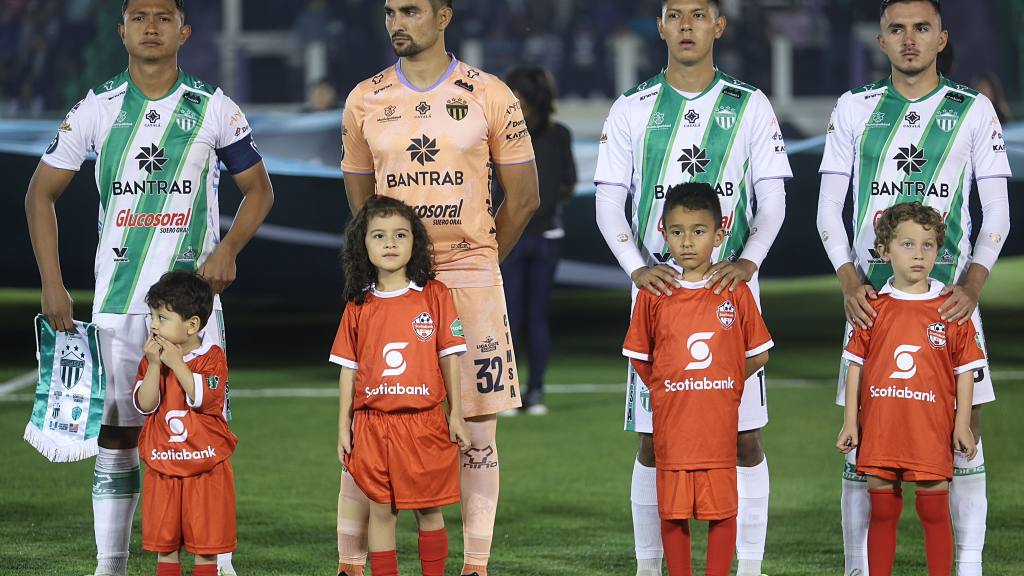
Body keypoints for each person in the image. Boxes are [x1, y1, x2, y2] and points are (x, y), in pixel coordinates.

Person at [23, 1, 274, 574]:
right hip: (116, 304)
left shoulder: (213, 106)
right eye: (140, 17)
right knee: (117, 437)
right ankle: (110, 565)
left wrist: (229, 246)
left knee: (206, 427)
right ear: (122, 31)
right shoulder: (96, 107)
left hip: (192, 310)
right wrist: (52, 283)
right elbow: (40, 193)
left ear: (184, 31)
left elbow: (258, 190)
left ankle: (218, 561)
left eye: (164, 17)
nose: (152, 26)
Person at [339, 1, 540, 574]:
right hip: (393, 280)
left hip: (471, 277)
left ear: (444, 15)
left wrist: (477, 264)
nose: (397, 22)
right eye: (389, 12)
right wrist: (389, 267)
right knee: (372, 419)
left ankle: (475, 564)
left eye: (411, 10)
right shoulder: (363, 100)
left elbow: (524, 199)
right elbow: (363, 208)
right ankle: (352, 562)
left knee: (476, 427)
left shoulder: (490, 93)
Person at [594, 1, 790, 574]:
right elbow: (610, 204)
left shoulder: (750, 104)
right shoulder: (632, 107)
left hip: (731, 293)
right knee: (656, 445)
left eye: (699, 14)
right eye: (674, 15)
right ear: (659, 27)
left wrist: (749, 261)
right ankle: (650, 565)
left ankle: (747, 567)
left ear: (719, 26)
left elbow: (773, 198)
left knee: (745, 439)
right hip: (659, 301)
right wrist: (636, 267)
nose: (686, 25)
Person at [816, 1, 1011, 574]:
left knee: (964, 437)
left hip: (948, 301)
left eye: (921, 29)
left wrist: (972, 285)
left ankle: (966, 566)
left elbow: (996, 209)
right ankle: (860, 567)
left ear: (941, 38)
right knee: (860, 448)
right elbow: (830, 208)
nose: (909, 40)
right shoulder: (854, 108)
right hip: (872, 306)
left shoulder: (973, 110)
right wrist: (849, 279)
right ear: (880, 41)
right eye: (897, 29)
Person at [623, 183, 773, 576]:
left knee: (722, 509)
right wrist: (667, 387)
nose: (687, 242)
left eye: (698, 231)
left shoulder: (735, 290)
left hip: (717, 424)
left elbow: (758, 352)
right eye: (677, 232)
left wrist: (725, 384)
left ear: (719, 234)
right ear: (663, 232)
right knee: (673, 510)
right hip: (674, 426)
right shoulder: (654, 292)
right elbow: (641, 356)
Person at [836, 202, 984, 576]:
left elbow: (965, 370)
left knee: (934, 510)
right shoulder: (872, 307)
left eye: (928, 245)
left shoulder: (950, 309)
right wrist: (850, 423)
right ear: (884, 252)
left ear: (938, 251)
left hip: (929, 428)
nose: (918, 254)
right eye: (907, 244)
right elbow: (856, 367)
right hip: (883, 427)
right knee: (883, 510)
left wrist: (962, 424)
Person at [332, 196, 471, 576]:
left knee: (429, 509)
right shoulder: (358, 305)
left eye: (400, 235)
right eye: (379, 236)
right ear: (364, 245)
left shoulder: (434, 295)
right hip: (374, 425)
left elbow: (450, 357)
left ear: (415, 243)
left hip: (424, 422)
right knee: (381, 510)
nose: (390, 243)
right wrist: (344, 426)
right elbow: (349, 370)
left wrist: (455, 415)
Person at [134, 271, 237, 576]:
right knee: (165, 549)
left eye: (163, 317)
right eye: (153, 316)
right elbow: (146, 404)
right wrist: (154, 365)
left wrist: (176, 363)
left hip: (205, 469)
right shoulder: (150, 358)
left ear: (192, 325)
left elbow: (204, 398)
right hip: (164, 467)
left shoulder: (212, 357)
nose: (154, 325)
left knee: (205, 551)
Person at [498, 66, 577, 415]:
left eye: (517, 93)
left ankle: (537, 392)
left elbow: (568, 181)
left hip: (544, 237)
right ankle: (511, 395)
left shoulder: (559, 134)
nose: (512, 99)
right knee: (509, 317)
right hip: (510, 237)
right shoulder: (497, 133)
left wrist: (541, 207)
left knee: (535, 318)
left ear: (532, 97)